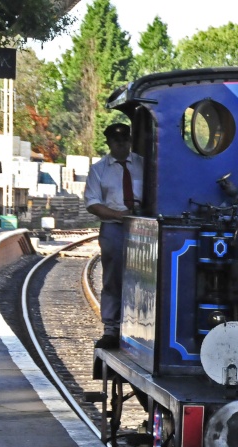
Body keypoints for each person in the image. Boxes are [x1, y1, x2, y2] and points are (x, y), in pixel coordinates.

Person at [84, 122, 144, 349]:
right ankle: (111, 327)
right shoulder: (99, 169)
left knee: (142, 278)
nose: (121, 144)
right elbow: (93, 204)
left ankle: (140, 323)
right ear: (109, 142)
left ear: (130, 141)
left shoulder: (144, 165)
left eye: (125, 140)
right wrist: (120, 215)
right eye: (116, 141)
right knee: (113, 277)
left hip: (144, 226)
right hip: (114, 229)